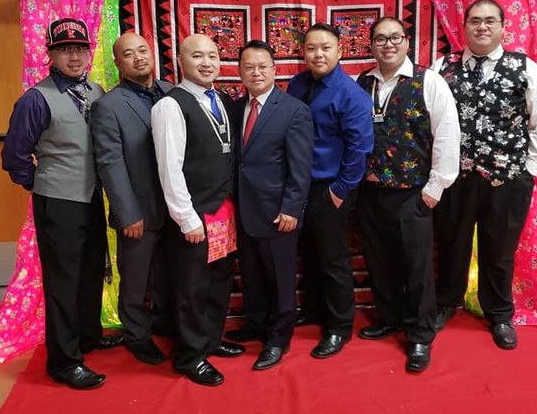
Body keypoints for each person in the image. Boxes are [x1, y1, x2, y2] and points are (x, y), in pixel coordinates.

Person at [1, 17, 122, 390]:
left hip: (89, 198)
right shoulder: (36, 98)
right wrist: (41, 185)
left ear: (89, 52)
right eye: (65, 49)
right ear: (50, 54)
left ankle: (87, 335)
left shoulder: (97, 91)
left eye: (80, 49)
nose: (74, 56)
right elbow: (14, 156)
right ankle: (64, 362)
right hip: (58, 202)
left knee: (89, 273)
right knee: (63, 282)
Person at [433, 0, 537, 350]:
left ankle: (500, 314)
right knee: (451, 243)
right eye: (475, 20)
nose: (482, 27)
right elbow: (431, 121)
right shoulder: (442, 66)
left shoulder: (525, 68)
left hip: (508, 180)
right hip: (456, 180)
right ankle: (446, 303)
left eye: (490, 21)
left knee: (499, 250)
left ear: (504, 27)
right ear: (464, 27)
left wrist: (528, 171)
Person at [356, 16, 460, 373]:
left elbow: (447, 134)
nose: (388, 44)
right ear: (371, 44)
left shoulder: (428, 81)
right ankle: (390, 317)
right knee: (380, 260)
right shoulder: (363, 82)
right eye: (380, 39)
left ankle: (419, 334)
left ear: (406, 42)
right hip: (370, 191)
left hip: (413, 192)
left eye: (395, 38)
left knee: (416, 267)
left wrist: (434, 189)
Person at [151, 34, 242, 387]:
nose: (206, 63)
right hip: (194, 215)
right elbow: (169, 169)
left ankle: (211, 339)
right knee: (191, 287)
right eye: (197, 56)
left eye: (213, 56)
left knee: (219, 280)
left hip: (225, 210)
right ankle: (190, 356)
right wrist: (186, 218)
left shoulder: (221, 99)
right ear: (180, 61)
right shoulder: (170, 106)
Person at [286, 23, 374, 359]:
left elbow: (359, 148)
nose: (318, 54)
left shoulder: (350, 94)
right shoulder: (297, 84)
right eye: (311, 48)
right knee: (308, 252)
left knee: (332, 258)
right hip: (300, 186)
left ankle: (339, 326)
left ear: (340, 51)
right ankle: (313, 309)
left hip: (330, 188)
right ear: (303, 52)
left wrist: (340, 190)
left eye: (325, 48)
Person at [225, 40, 314, 370]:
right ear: (240, 72)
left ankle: (278, 338)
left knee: (280, 278)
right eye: (249, 67)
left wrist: (292, 207)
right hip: (244, 211)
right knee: (252, 275)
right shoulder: (236, 109)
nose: (256, 72)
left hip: (279, 212)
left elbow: (300, 165)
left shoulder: (294, 110)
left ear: (276, 71)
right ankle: (256, 324)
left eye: (263, 66)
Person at [89, 32, 173, 365]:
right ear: (117, 63)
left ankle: (167, 323)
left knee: (171, 273)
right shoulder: (107, 106)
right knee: (136, 278)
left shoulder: (172, 92)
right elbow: (110, 162)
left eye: (142, 50)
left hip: (176, 208)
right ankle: (137, 335)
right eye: (128, 53)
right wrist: (127, 213)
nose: (138, 57)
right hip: (138, 208)